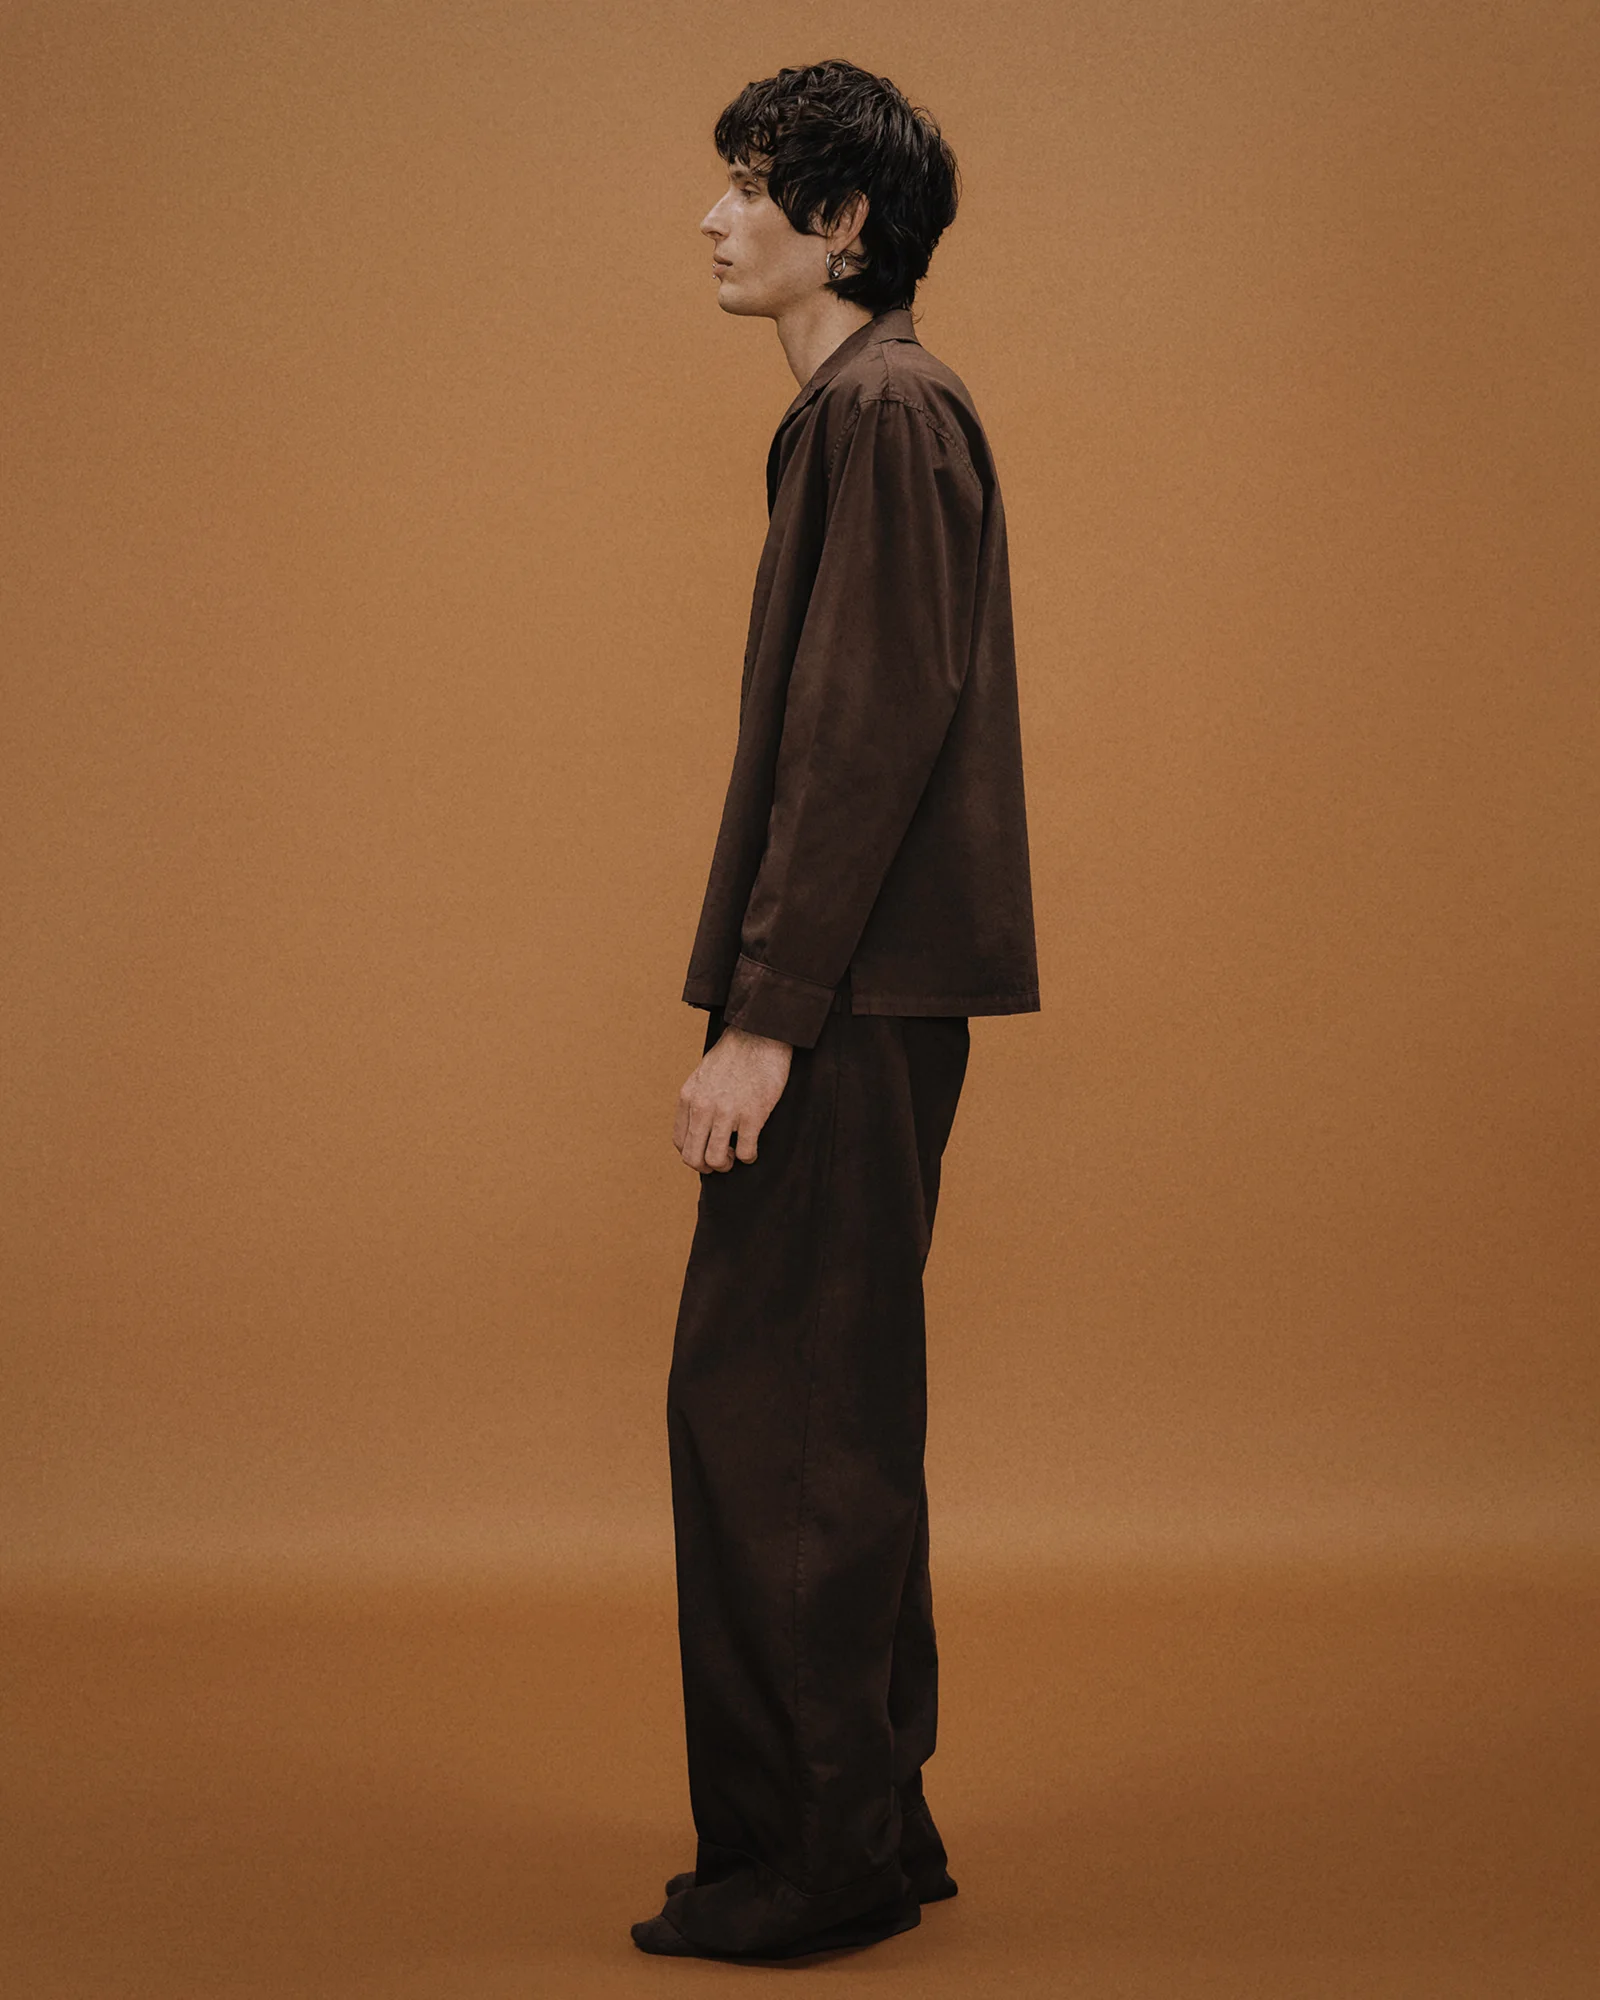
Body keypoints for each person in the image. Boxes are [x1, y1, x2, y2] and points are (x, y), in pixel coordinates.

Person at [631, 57, 1040, 1963]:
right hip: (866, 988)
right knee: (830, 1409)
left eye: (749, 184)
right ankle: (871, 1820)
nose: (716, 218)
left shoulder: (880, 412)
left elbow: (862, 735)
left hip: (847, 998)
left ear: (843, 222)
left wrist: (766, 1018)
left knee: (771, 1415)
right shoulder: (870, 413)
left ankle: (812, 1865)